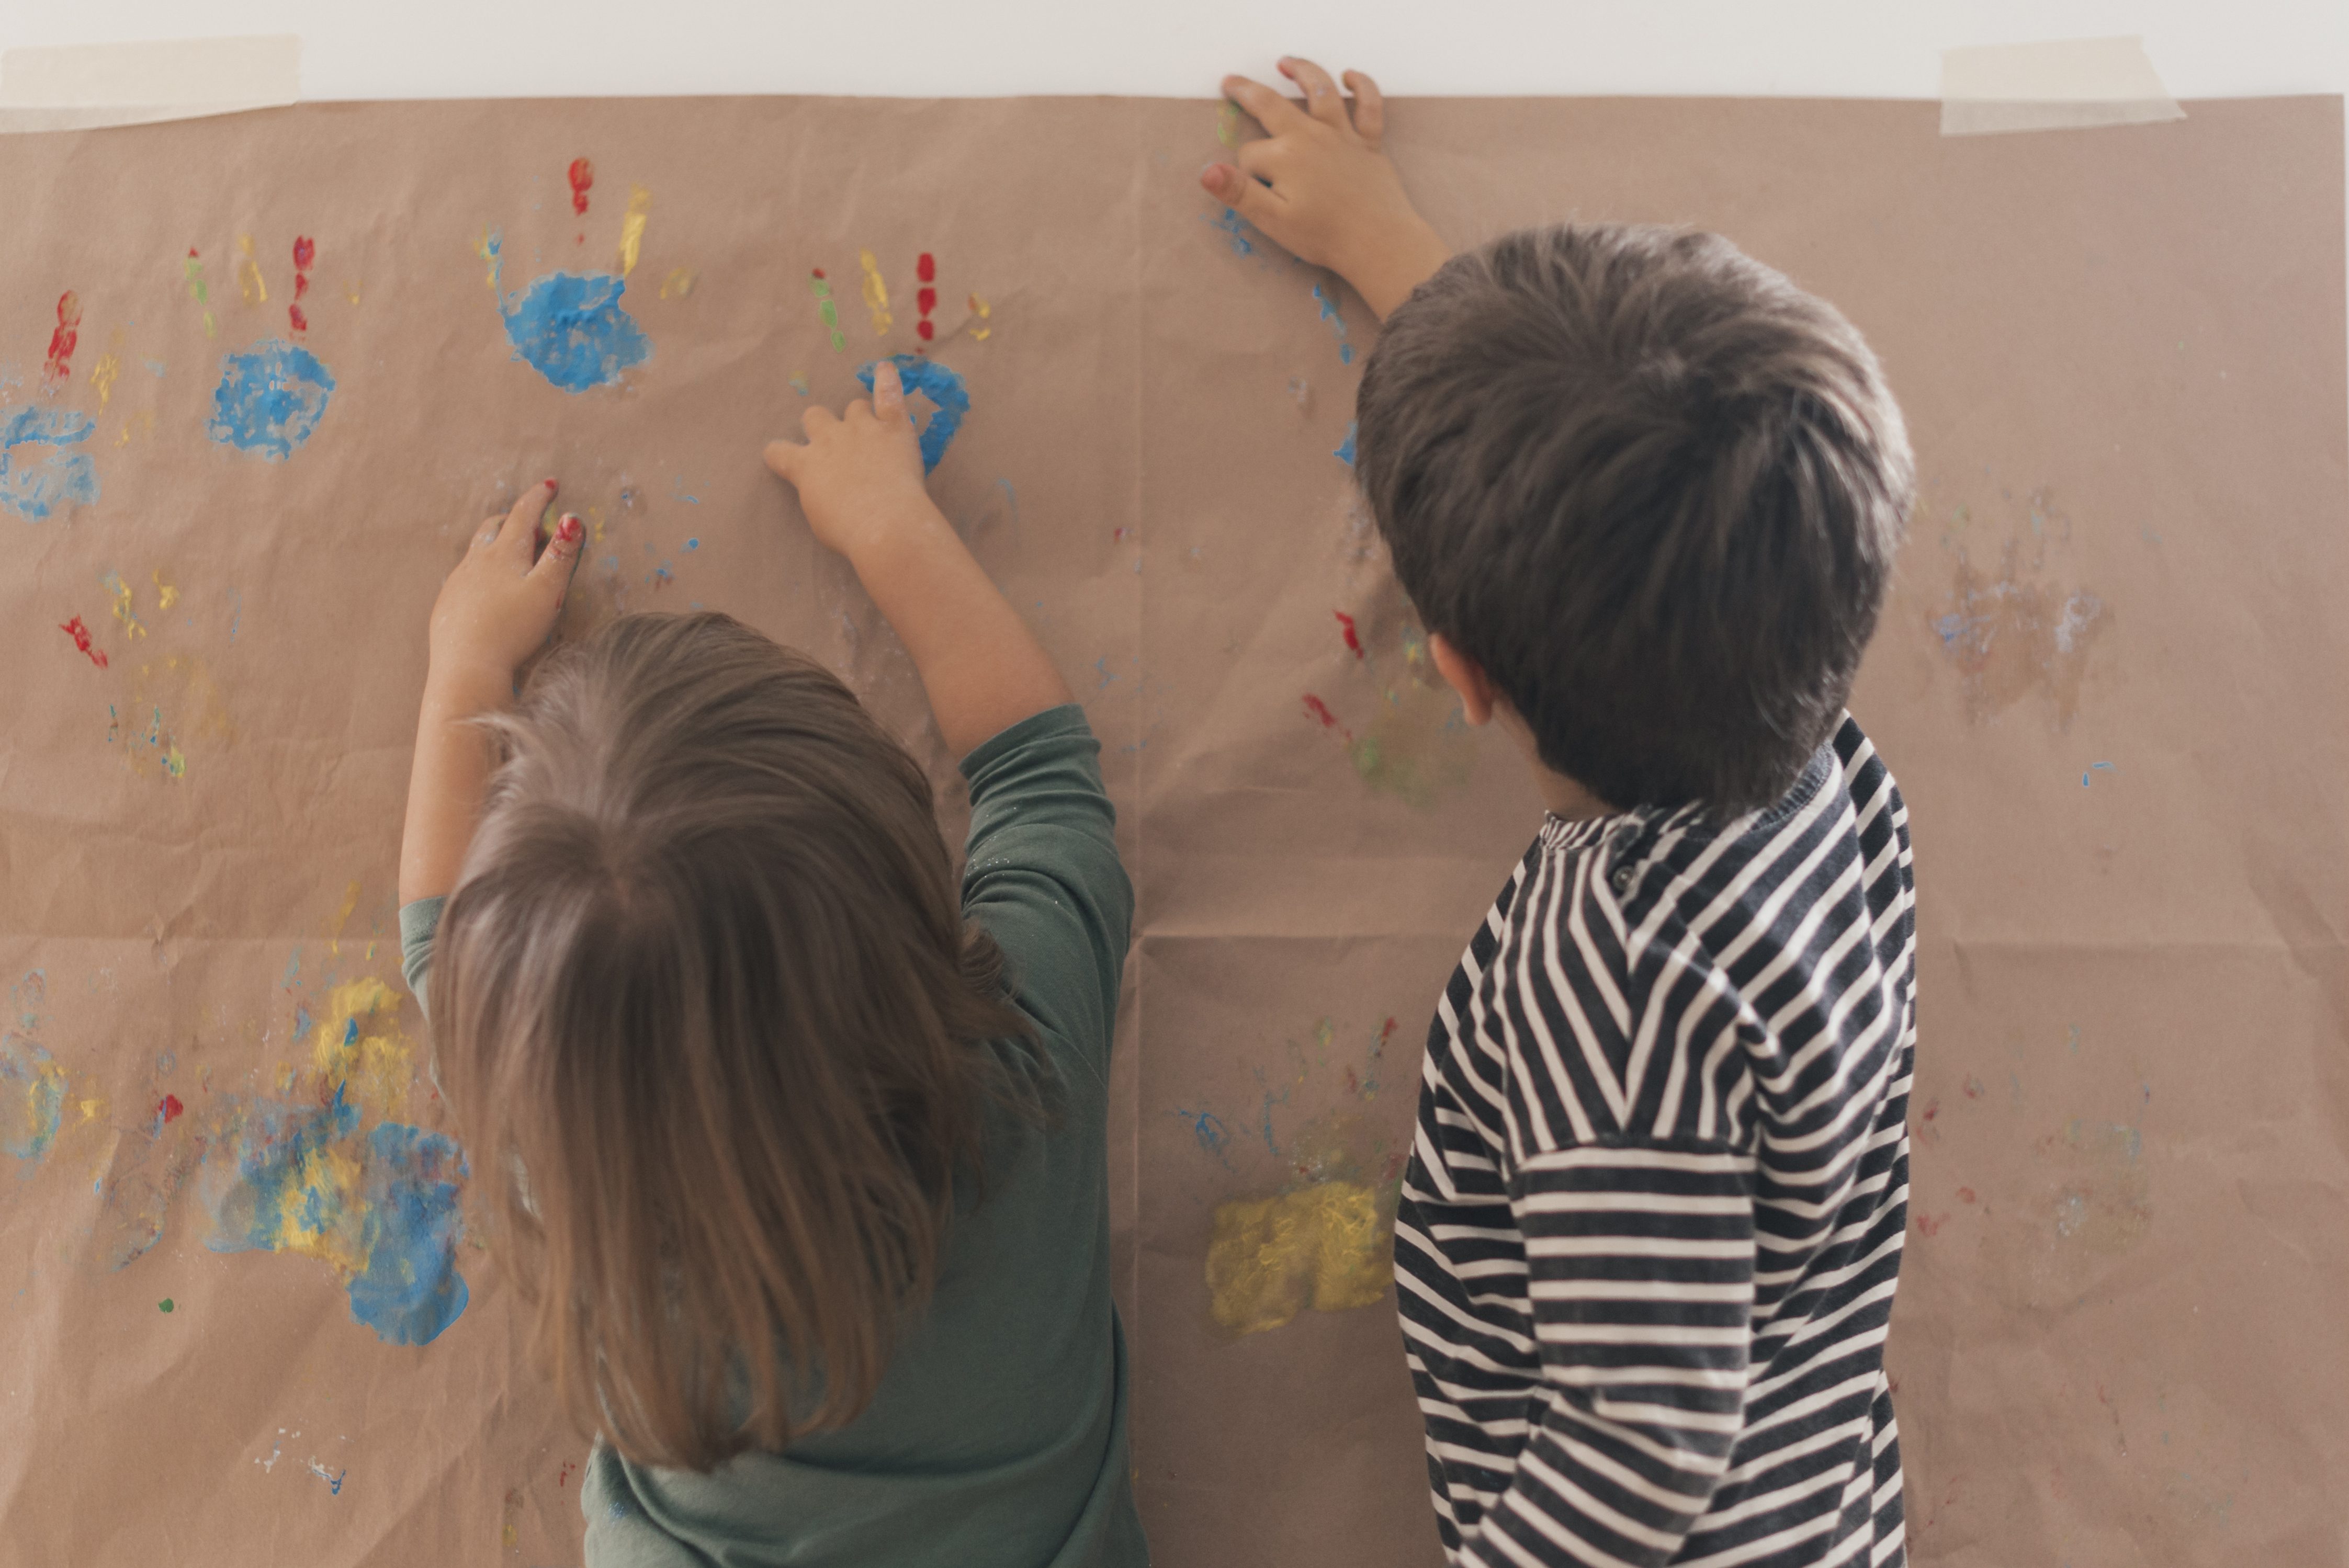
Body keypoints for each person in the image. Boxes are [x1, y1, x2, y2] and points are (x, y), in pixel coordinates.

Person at [1206, 59, 1919, 1568]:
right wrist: (1399, 255)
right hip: (1819, 1484)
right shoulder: (1820, 747)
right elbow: (1647, 491)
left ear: (1456, 670)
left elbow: (1641, 1443)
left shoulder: (1606, 979)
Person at [392, 363, 1147, 1567]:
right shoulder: (1026, 1072)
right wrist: (893, 524)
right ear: (904, 884)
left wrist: (468, 671)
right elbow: (1039, 780)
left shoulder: (555, 1160)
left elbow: (435, 943)